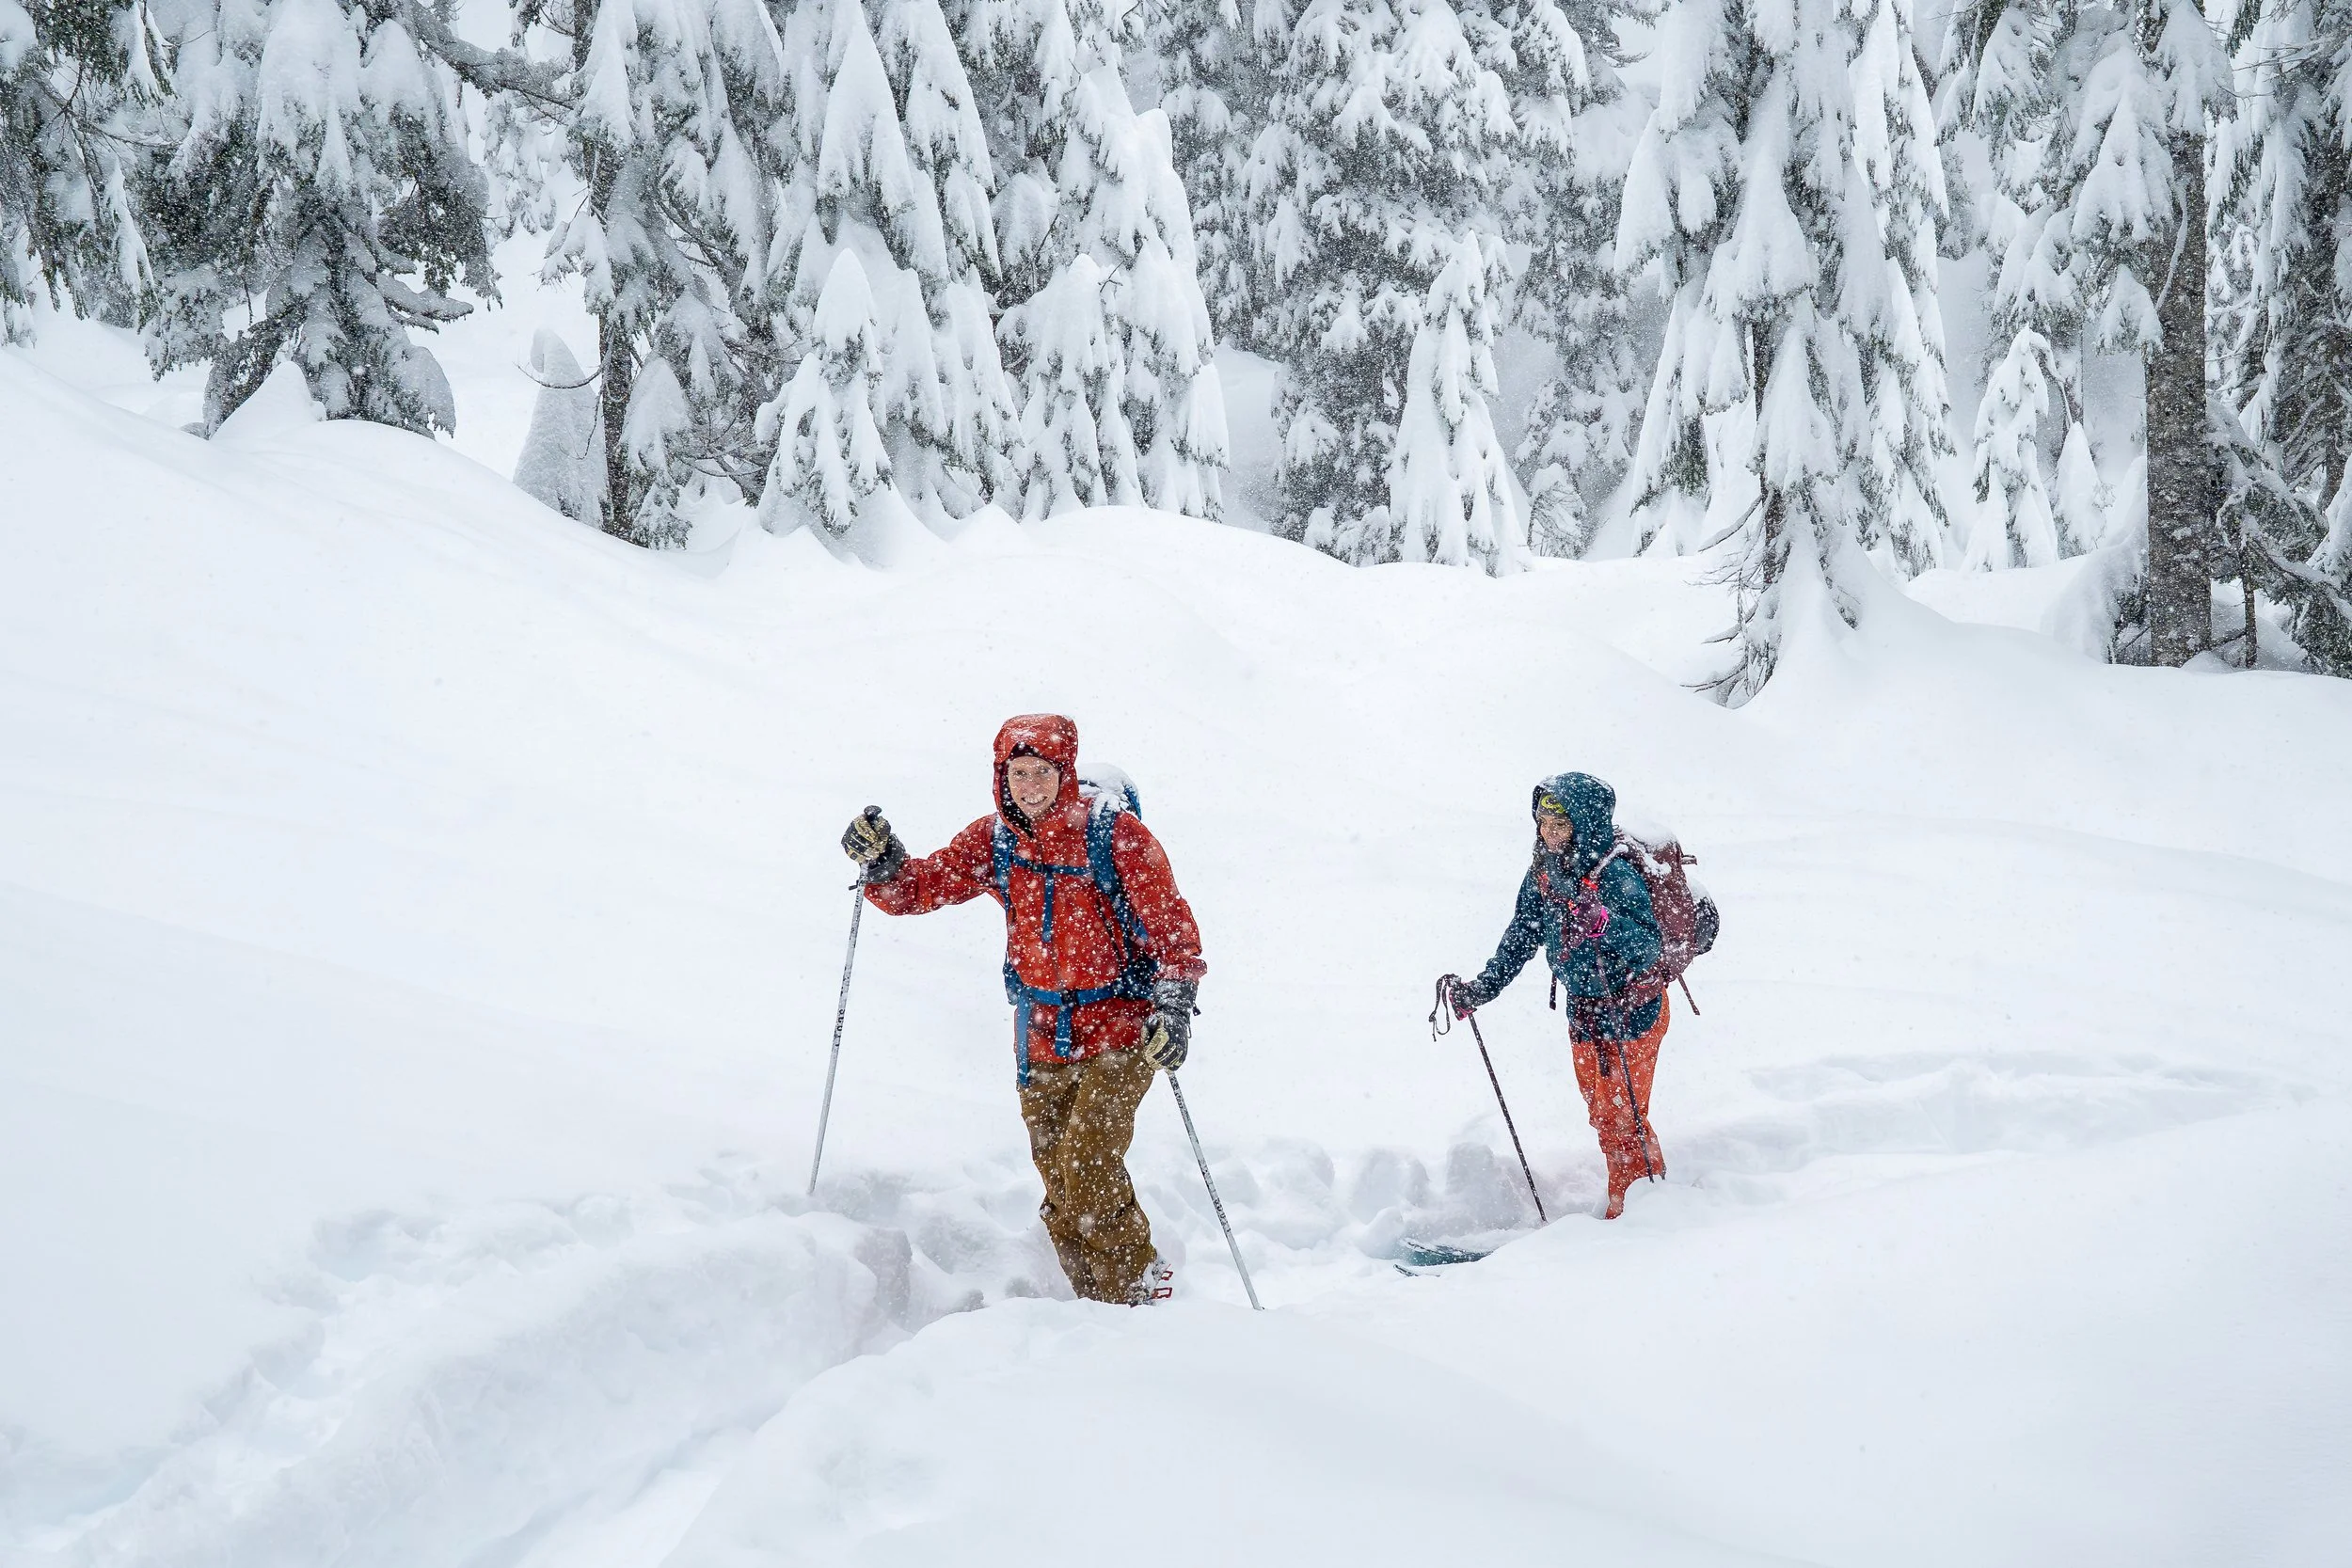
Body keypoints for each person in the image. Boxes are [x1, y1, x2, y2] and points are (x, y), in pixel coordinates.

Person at [840, 714, 1205, 1304]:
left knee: (1086, 1164)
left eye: (1042, 773)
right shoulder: (997, 839)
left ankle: (1137, 1290)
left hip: (1121, 1026)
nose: (1029, 786)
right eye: (1018, 773)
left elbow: (1174, 931)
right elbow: (922, 886)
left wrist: (1174, 1006)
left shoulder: (1118, 838)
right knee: (1059, 1178)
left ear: (1066, 773)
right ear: (1000, 775)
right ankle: (1094, 1307)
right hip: (1040, 1032)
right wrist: (884, 863)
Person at [1440, 772, 1669, 1220]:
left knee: (1624, 1118)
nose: (1548, 832)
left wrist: (1604, 920)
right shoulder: (1544, 875)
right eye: (1542, 822)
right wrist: (1484, 987)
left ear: (1583, 824)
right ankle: (1634, 1203)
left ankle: (1640, 1216)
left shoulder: (1615, 873)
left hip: (1633, 1012)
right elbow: (1521, 936)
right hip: (1583, 1015)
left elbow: (1649, 945)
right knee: (1603, 1114)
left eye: (1560, 825)